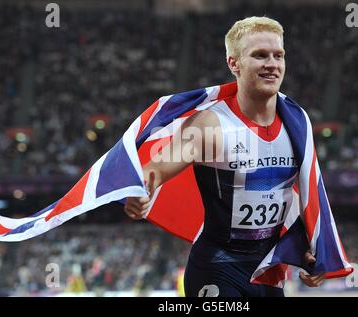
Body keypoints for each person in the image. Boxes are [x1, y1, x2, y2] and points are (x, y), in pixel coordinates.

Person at [124, 16, 325, 297]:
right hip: (217, 268)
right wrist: (140, 190)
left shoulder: (297, 120)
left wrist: (310, 248)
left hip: (268, 273)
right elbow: (156, 168)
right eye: (260, 55)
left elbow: (299, 194)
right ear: (234, 64)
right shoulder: (211, 124)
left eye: (278, 55)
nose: (272, 64)